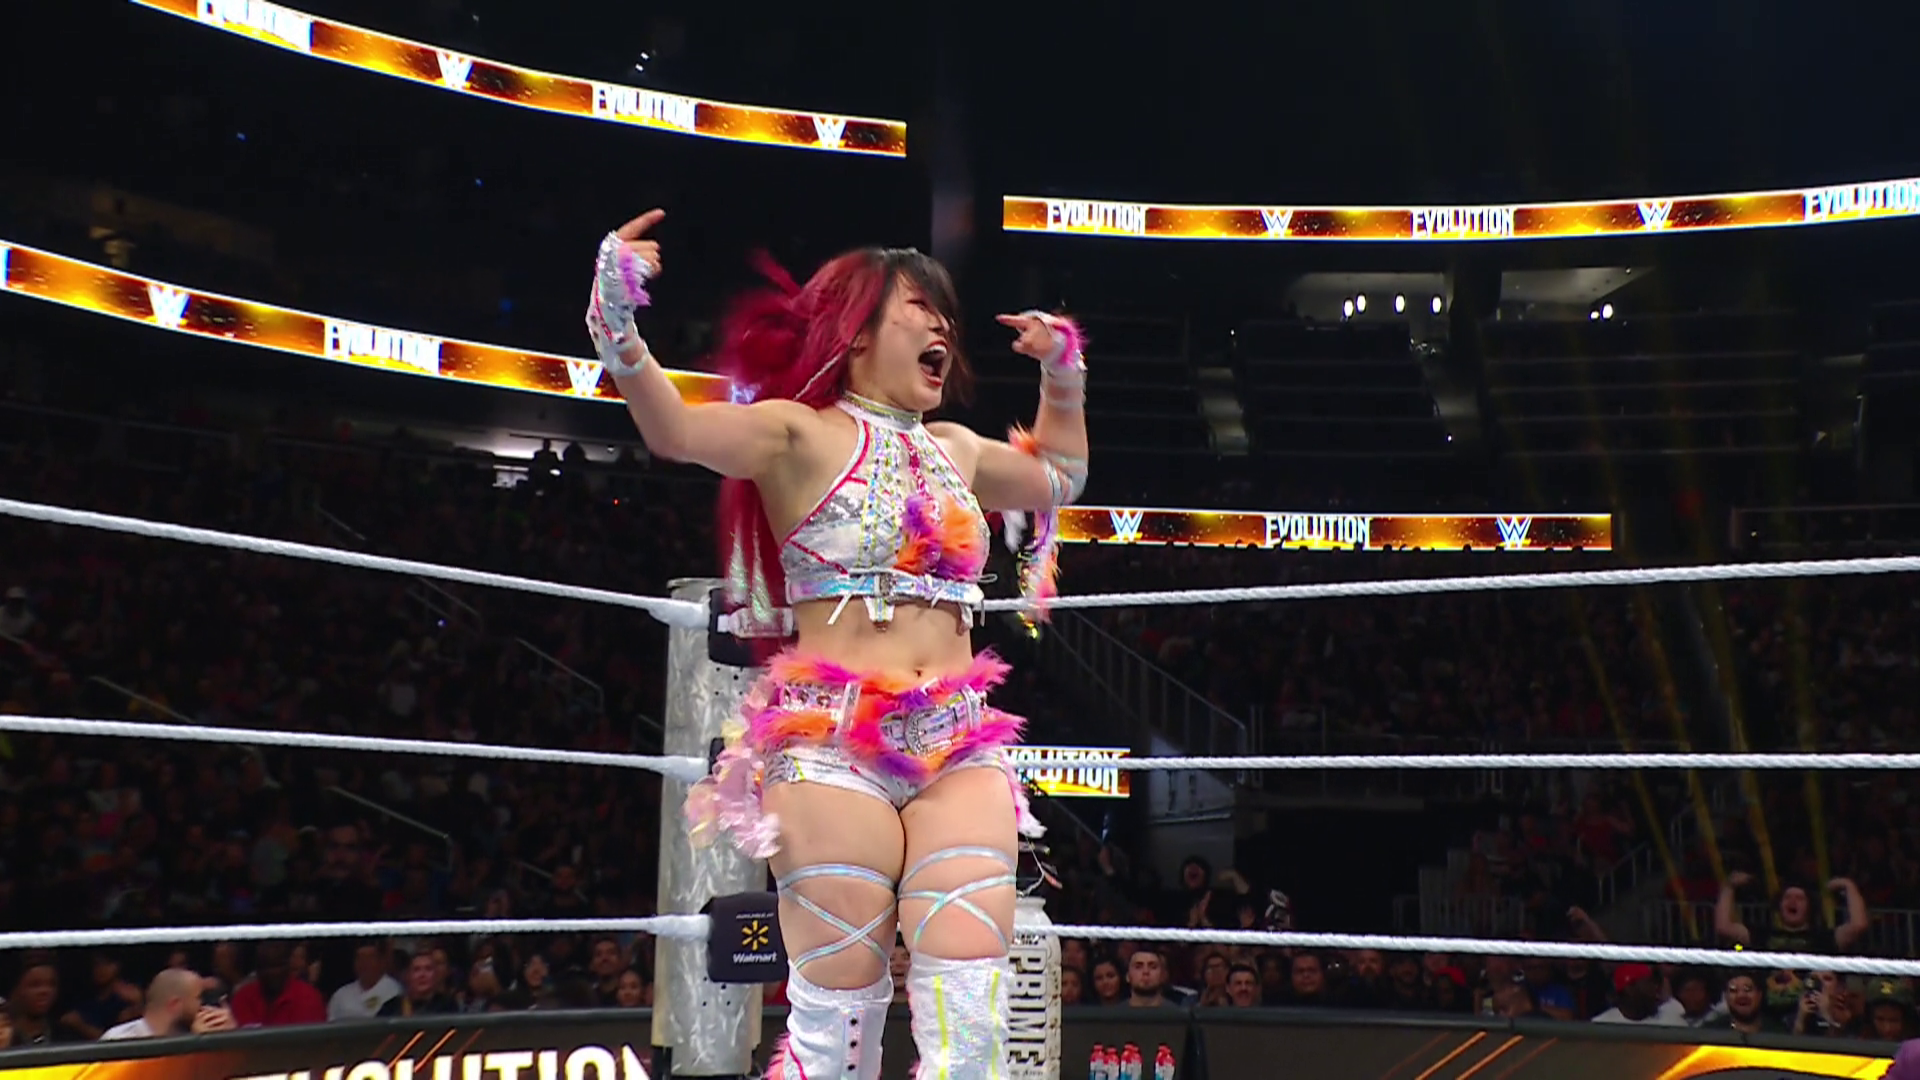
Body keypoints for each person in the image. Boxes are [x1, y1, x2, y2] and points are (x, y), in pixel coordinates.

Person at [585, 211, 1085, 1080]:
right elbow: (673, 432)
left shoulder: (957, 450)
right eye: (919, 307)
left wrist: (1062, 372)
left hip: (958, 743)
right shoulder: (797, 433)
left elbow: (1061, 477)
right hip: (831, 743)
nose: (941, 325)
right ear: (856, 333)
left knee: (971, 1014)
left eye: (946, 313)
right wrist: (615, 322)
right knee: (840, 1022)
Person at [101, 969, 234, 1040]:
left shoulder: (191, 1032)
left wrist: (230, 1034)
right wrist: (194, 1043)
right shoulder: (119, 1039)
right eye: (198, 998)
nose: (203, 1006)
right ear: (175, 1005)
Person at [328, 942, 401, 1021]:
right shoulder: (340, 995)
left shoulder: (394, 992)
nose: (364, 963)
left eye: (370, 957)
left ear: (381, 962)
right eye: (359, 958)